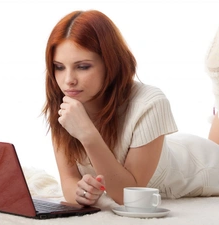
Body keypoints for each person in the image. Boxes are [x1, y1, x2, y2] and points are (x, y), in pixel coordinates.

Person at [43, 10, 219, 210]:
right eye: (59, 67)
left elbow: (128, 195)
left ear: (110, 63)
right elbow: (68, 181)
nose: (68, 80)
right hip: (165, 149)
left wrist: (88, 134)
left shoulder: (150, 102)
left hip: (203, 163)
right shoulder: (65, 104)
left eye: (82, 66)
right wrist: (82, 193)